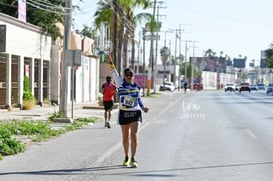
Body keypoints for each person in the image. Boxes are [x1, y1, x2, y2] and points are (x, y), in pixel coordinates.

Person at [107, 55, 149, 168]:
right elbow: (114, 72)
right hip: (124, 113)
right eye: (127, 75)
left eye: (131, 75)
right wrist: (111, 62)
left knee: (134, 135)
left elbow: (139, 99)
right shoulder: (120, 84)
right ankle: (126, 157)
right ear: (124, 76)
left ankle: (133, 159)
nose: (129, 77)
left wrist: (143, 107)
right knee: (126, 137)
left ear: (133, 76)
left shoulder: (137, 87)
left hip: (135, 113)